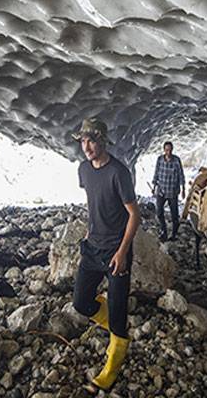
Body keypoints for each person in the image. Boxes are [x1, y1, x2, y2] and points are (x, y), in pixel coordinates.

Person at [71, 118, 141, 391]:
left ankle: (112, 367)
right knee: (81, 303)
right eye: (83, 142)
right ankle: (113, 326)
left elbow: (135, 215)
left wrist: (123, 252)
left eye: (91, 141)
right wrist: (89, 233)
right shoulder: (83, 170)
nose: (86, 147)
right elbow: (94, 203)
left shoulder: (119, 172)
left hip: (116, 251)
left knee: (119, 313)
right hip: (93, 247)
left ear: (102, 141)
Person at [151, 141, 185, 241]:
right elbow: (156, 173)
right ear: (164, 150)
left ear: (172, 150)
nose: (168, 152)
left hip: (173, 192)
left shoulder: (176, 160)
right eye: (166, 150)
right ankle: (164, 231)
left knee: (174, 216)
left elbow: (181, 174)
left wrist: (183, 189)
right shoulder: (160, 159)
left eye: (170, 150)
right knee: (159, 213)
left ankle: (174, 235)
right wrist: (154, 187)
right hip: (161, 191)